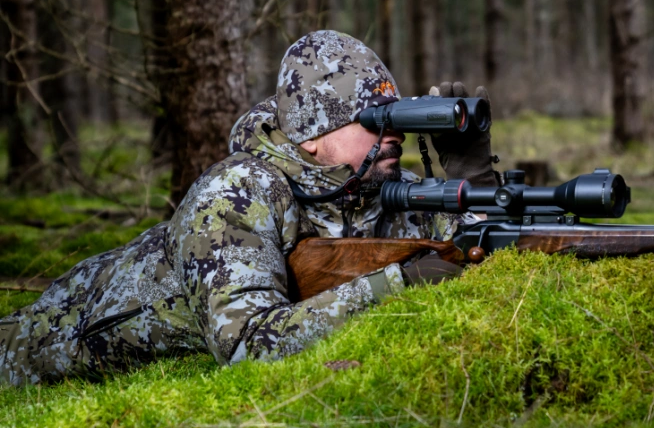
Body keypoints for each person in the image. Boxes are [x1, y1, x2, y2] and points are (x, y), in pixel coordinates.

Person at [0, 30, 499, 387]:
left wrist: (471, 183)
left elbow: (487, 253)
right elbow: (249, 347)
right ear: (310, 137)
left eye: (398, 118)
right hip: (46, 343)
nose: (396, 133)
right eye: (377, 119)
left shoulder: (380, 187)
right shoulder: (235, 194)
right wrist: (398, 283)